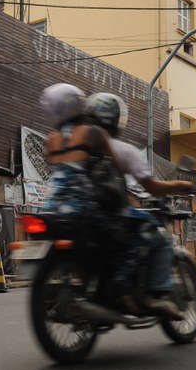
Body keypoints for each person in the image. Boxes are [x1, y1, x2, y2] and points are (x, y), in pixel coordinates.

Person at [40, 83, 150, 315]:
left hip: (53, 209)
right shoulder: (93, 134)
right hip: (84, 209)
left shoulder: (50, 140)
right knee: (137, 236)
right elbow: (116, 168)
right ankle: (121, 289)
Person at [83, 92, 194, 320]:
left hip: (80, 213)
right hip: (110, 214)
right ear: (116, 120)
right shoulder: (124, 150)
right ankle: (151, 294)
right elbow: (151, 186)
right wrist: (180, 183)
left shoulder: (75, 146)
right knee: (156, 236)